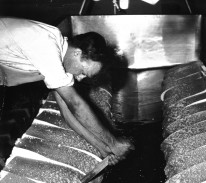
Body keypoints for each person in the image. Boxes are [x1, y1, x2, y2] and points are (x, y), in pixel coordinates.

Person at [0, 17, 134, 165]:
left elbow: (67, 111)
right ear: (77, 53)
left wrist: (103, 148)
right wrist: (114, 143)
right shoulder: (47, 48)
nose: (81, 78)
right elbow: (75, 105)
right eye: (83, 71)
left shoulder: (61, 58)